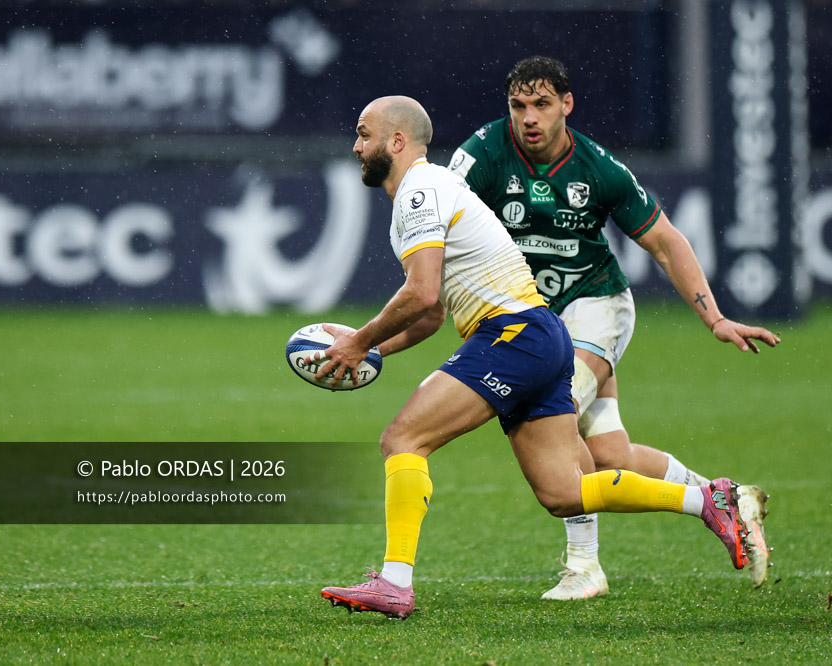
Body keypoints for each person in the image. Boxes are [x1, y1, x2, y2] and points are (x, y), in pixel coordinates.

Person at [316, 95, 755, 620]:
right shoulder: (423, 196)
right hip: (539, 335)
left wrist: (358, 341)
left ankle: (395, 583)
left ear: (397, 141)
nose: (357, 146)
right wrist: (368, 352)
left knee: (403, 438)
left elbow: (422, 294)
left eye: (365, 134)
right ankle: (709, 500)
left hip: (513, 335)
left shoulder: (420, 191)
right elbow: (431, 316)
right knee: (564, 493)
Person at [448, 56, 780, 599]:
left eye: (542, 105)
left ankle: (584, 567)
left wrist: (714, 317)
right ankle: (724, 498)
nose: (528, 118)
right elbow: (442, 223)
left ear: (567, 105)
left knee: (553, 413)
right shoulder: (483, 153)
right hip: (532, 320)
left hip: (595, 307)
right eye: (518, 106)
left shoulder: (600, 170)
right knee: (611, 458)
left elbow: (666, 243)